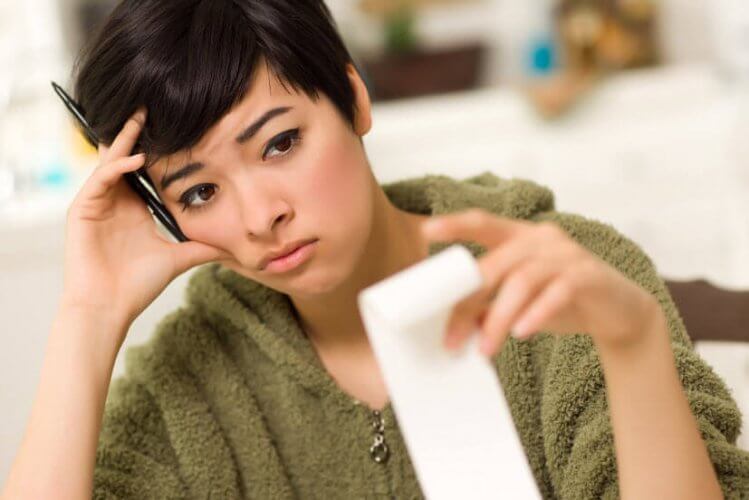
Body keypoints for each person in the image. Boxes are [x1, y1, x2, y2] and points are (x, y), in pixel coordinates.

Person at [3, 1, 749, 498]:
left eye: (280, 143)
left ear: (355, 101)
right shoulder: (189, 379)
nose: (263, 216)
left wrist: (634, 341)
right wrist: (88, 315)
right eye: (199, 193)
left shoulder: (553, 275)